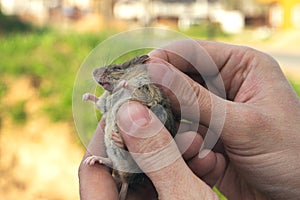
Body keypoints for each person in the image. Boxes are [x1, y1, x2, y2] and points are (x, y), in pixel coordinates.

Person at [78, 40, 300, 200]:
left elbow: (152, 101)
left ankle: (120, 169)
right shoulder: (120, 96)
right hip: (130, 155)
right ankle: (115, 165)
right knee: (113, 137)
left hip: (145, 145)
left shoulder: (145, 84)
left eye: (117, 72)